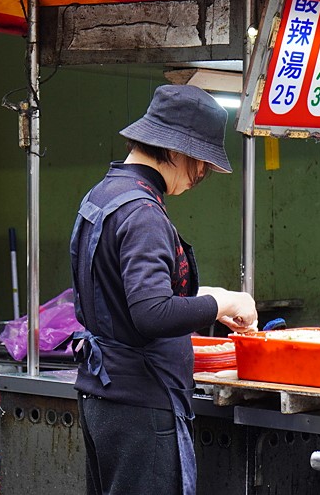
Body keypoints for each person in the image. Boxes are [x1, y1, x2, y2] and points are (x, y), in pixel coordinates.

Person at [70, 84, 258, 495]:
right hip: (140, 406)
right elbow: (151, 313)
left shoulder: (103, 196)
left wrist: (202, 300)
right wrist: (222, 301)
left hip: (104, 399)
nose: (202, 175)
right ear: (176, 151)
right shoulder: (143, 212)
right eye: (202, 163)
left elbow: (117, 294)